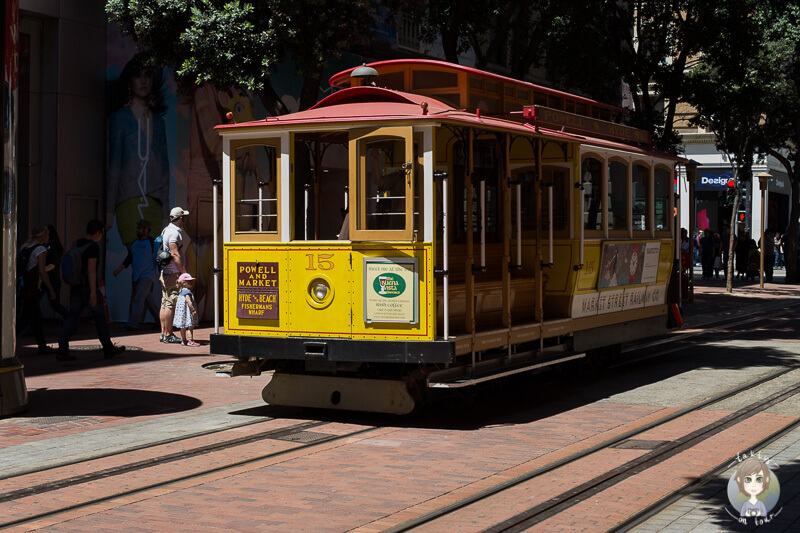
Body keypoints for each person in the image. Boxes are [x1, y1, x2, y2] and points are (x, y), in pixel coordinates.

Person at [107, 52, 170, 247]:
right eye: (137, 76)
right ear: (129, 81)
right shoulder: (120, 118)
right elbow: (114, 165)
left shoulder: (158, 122)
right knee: (137, 253)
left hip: (155, 201)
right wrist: (109, 211)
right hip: (128, 198)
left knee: (152, 257)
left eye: (148, 75)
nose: (143, 81)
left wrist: (166, 211)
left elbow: (165, 169)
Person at [56, 220, 126, 361]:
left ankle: (62, 349)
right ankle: (108, 348)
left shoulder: (77, 243)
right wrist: (93, 292)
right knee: (100, 319)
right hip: (87, 288)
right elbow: (91, 270)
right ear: (98, 232)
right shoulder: (93, 247)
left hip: (76, 287)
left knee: (71, 318)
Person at [112, 219, 160, 330]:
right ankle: (160, 321)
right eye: (137, 228)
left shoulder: (152, 243)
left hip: (148, 275)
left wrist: (161, 274)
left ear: (147, 229)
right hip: (136, 275)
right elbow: (129, 258)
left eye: (140, 228)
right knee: (148, 300)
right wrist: (119, 269)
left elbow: (159, 259)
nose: (137, 230)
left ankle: (132, 324)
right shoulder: (135, 243)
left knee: (138, 298)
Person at [16, 226, 57, 354]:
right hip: (33, 288)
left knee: (36, 318)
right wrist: (51, 289)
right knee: (25, 318)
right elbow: (42, 271)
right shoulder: (40, 249)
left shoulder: (25, 248)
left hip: (24, 286)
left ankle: (42, 345)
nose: (48, 237)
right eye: (47, 234)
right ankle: (6, 343)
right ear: (42, 235)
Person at [159, 207, 189, 343]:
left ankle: (164, 334)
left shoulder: (167, 230)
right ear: (180, 218)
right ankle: (168, 334)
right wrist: (183, 272)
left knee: (165, 302)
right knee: (171, 303)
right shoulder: (174, 233)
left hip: (165, 272)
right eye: (184, 217)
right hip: (172, 272)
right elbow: (175, 254)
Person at [43, 224, 68, 319]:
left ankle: (71, 322)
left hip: (51, 279)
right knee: (53, 304)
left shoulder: (52, 247)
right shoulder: (47, 246)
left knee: (55, 304)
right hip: (48, 278)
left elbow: (53, 264)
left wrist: (41, 270)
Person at [173, 273, 199, 346]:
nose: (191, 282)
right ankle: (190, 340)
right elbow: (188, 301)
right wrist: (193, 310)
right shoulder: (187, 291)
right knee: (190, 327)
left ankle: (183, 340)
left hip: (182, 313)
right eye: (189, 281)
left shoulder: (181, 291)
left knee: (183, 327)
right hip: (188, 312)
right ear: (184, 283)